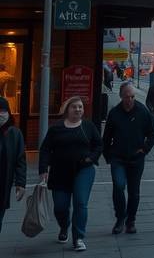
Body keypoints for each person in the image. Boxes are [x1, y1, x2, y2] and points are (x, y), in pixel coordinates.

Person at [39, 96, 102, 251]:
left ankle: (78, 237)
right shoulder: (56, 128)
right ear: (67, 109)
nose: (78, 109)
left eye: (80, 107)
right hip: (60, 172)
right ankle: (63, 226)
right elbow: (46, 149)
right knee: (60, 207)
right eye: (74, 107)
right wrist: (43, 169)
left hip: (83, 170)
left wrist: (91, 158)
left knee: (81, 203)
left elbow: (98, 145)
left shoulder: (88, 126)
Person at [103, 82, 154, 236]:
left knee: (134, 192)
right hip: (118, 158)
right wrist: (108, 156)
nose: (130, 100)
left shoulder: (142, 111)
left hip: (136, 158)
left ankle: (130, 221)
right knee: (119, 186)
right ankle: (120, 218)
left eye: (132, 96)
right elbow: (106, 137)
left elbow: (153, 132)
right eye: (127, 97)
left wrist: (145, 149)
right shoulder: (114, 113)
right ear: (121, 96)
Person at [0, 96, 26, 233]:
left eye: (3, 110)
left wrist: (20, 183)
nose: (0, 114)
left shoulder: (14, 134)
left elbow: (20, 160)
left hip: (3, 185)